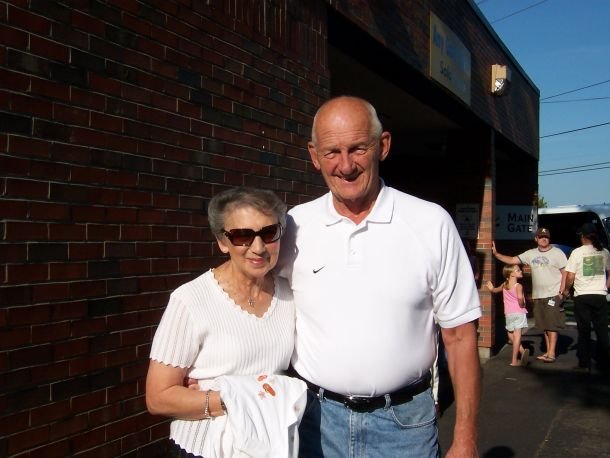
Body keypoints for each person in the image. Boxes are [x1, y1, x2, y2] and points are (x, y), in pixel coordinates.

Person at [280, 96, 482, 457]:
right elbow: (252, 298)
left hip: (404, 427)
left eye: (358, 148)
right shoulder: (293, 226)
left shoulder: (430, 223)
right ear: (314, 155)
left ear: (383, 146)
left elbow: (460, 335)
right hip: (315, 422)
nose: (345, 166)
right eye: (332, 152)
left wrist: (465, 437)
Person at [146, 187, 303, 457]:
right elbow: (158, 397)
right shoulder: (191, 300)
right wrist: (234, 399)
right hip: (207, 448)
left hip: (269, 444)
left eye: (268, 233)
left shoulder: (289, 294)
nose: (258, 247)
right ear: (222, 241)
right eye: (242, 236)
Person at [492, 227, 567, 363]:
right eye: (541, 237)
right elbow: (512, 260)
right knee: (545, 325)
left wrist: (562, 292)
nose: (544, 239)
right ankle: (548, 352)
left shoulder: (557, 253)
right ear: (536, 239)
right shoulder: (531, 254)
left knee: (552, 325)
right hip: (538, 295)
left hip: (553, 294)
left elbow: (565, 273)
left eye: (546, 237)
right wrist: (497, 254)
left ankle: (551, 353)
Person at [561, 223, 610, 373]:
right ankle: (604, 364)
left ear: (582, 236)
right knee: (602, 331)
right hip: (600, 295)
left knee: (584, 331)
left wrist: (566, 289)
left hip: (582, 295)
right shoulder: (604, 252)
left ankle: (584, 363)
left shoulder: (577, 253)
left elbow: (570, 276)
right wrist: (606, 286)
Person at [486, 265, 530, 367]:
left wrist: (491, 288)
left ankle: (522, 351)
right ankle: (514, 361)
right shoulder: (518, 286)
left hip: (509, 314)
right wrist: (523, 304)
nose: (521, 271)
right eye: (518, 270)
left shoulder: (504, 285)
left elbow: (495, 290)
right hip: (519, 312)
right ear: (511, 274)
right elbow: (520, 298)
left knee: (510, 334)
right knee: (517, 336)